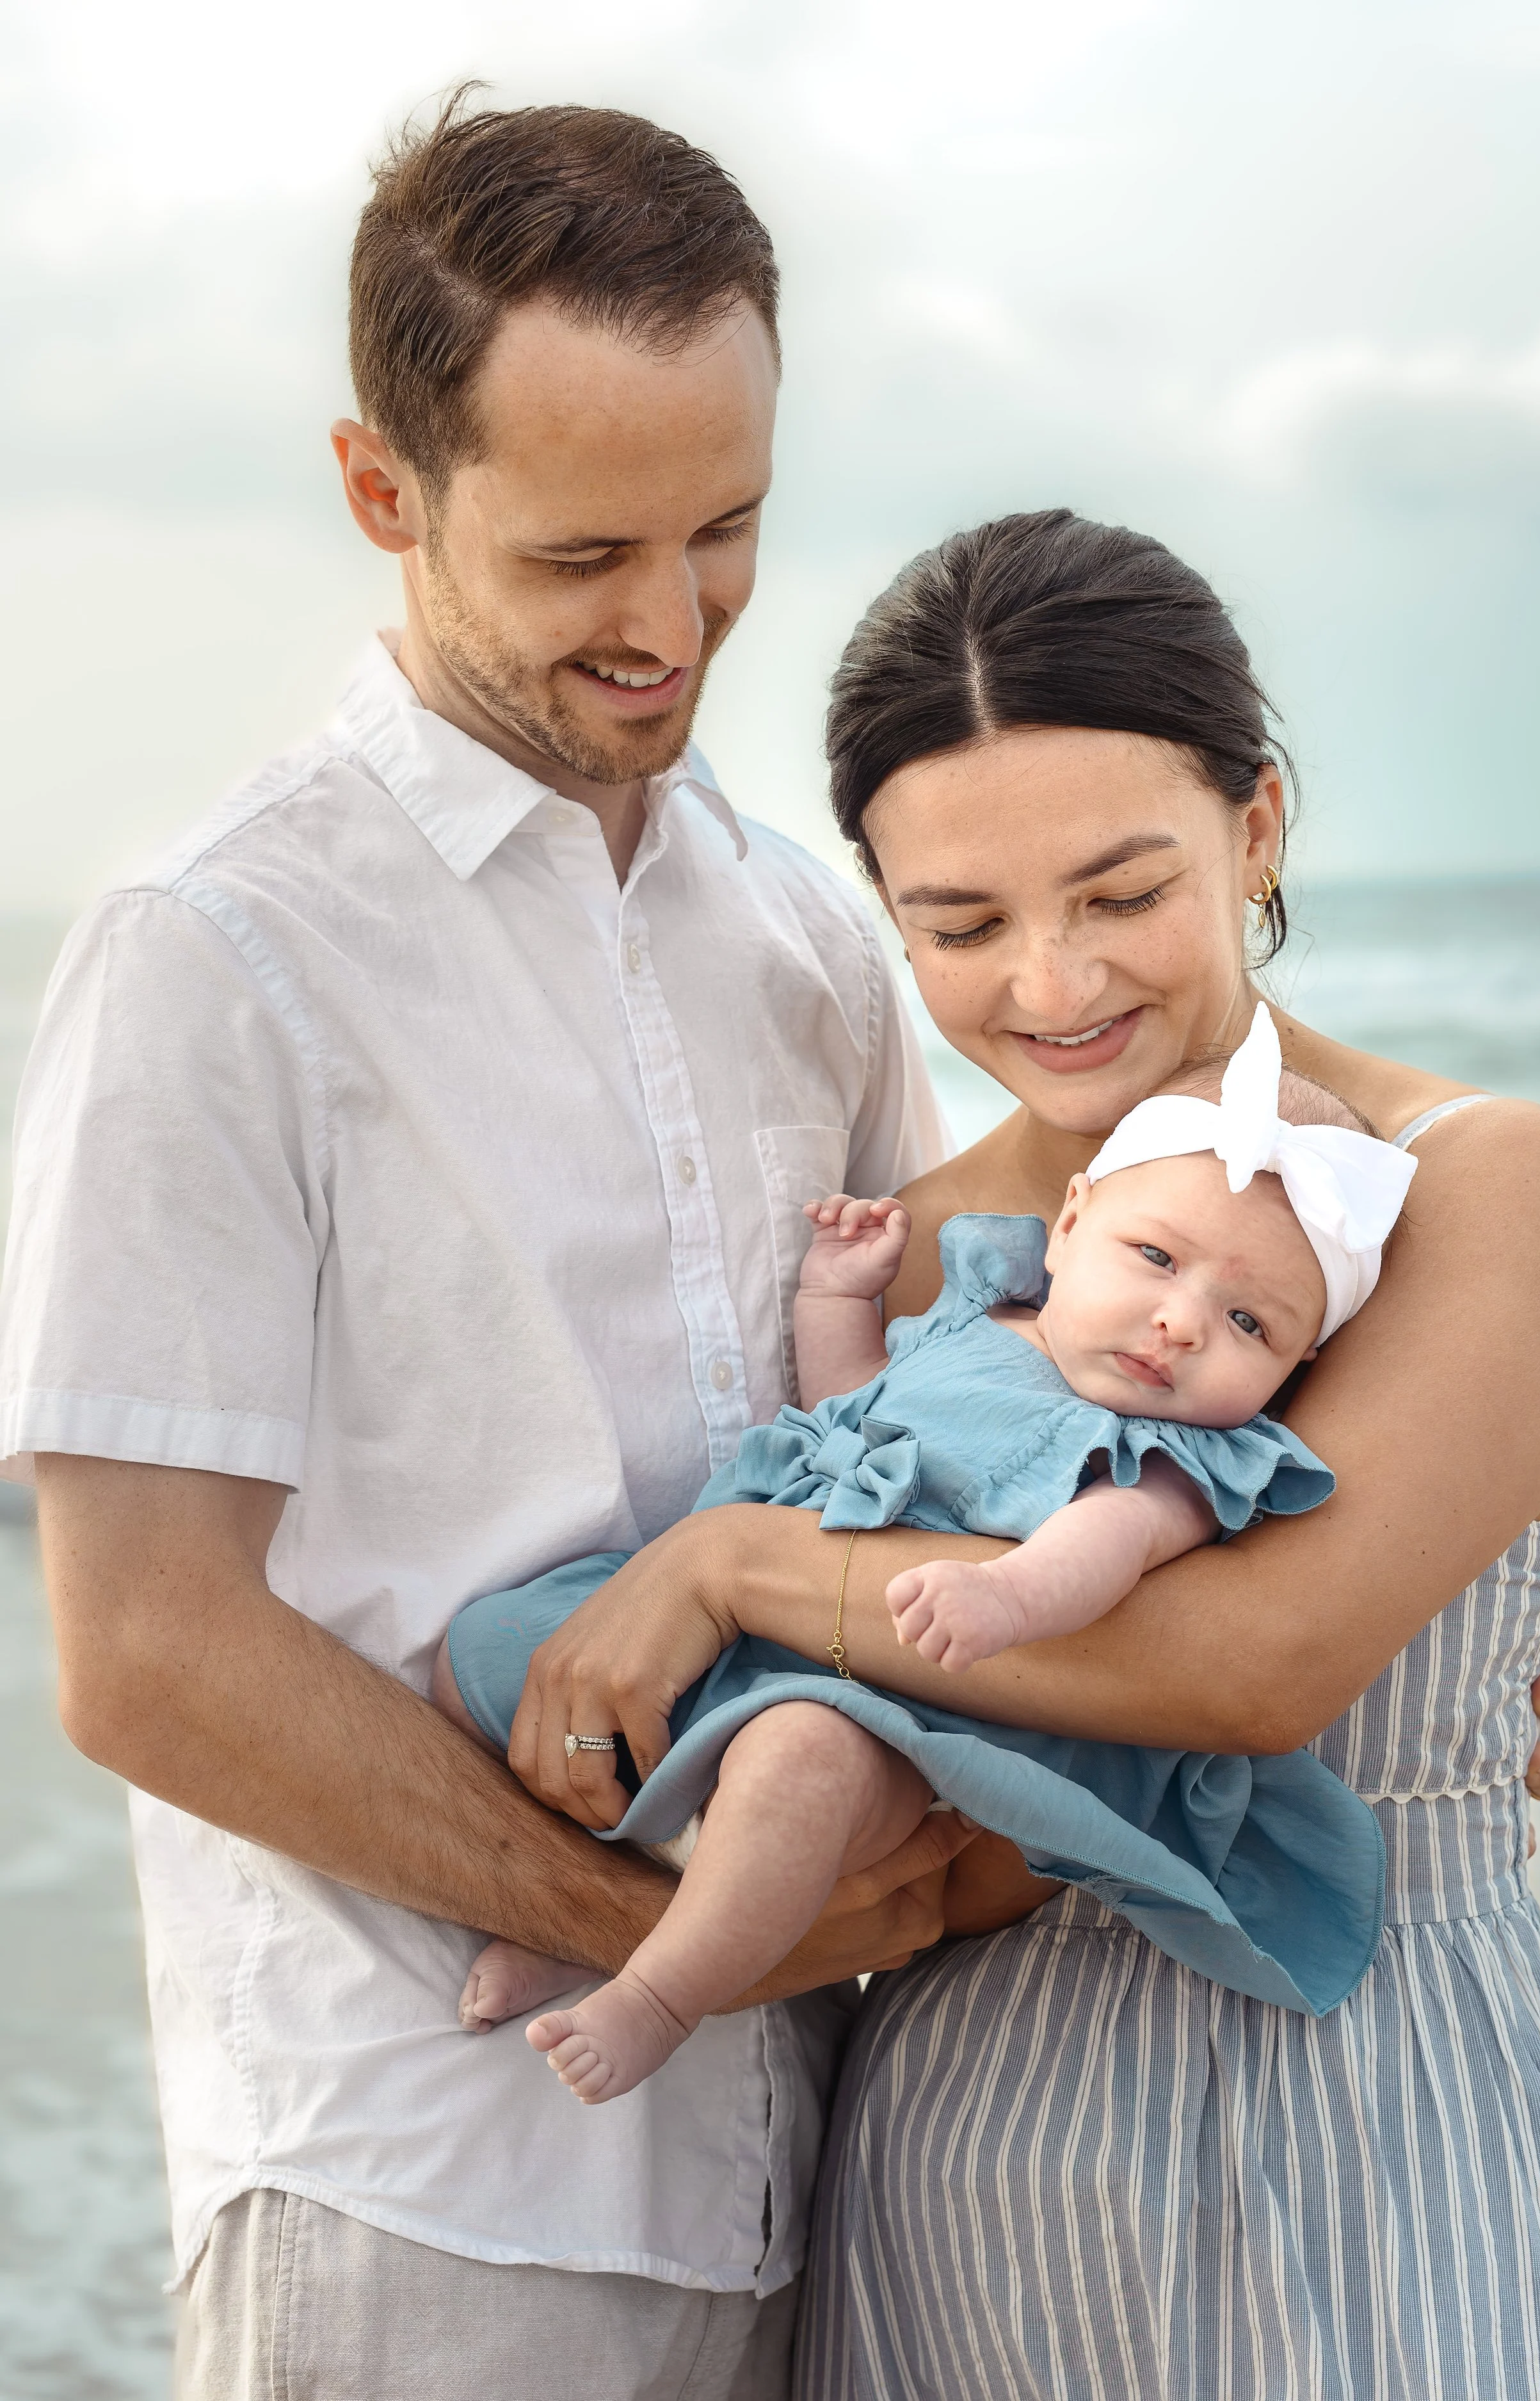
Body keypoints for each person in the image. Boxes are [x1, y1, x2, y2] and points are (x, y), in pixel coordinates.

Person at [0, 97, 967, 2401]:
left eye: (725, 532)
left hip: (820, 2185)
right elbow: (139, 1654)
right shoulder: (215, 953)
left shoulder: (809, 948)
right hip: (417, 2203)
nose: (666, 627)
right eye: (578, 557)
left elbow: (971, 1446)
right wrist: (654, 1938)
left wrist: (1428, 1636)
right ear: (384, 493)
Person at [502, 510, 1540, 2397]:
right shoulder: (906, 1254)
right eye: (959, 920)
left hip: (1381, 2107)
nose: (1052, 979)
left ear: (1255, 830)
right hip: (968, 2149)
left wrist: (733, 1564)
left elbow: (1259, 1665)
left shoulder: (1488, 1186)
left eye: (1120, 889)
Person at [438, 1008, 1415, 2105]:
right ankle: (570, 1917)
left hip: (892, 1702)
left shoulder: (1174, 1454)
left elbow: (1108, 1544)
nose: (1180, 1322)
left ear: (1298, 1363)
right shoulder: (972, 1319)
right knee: (490, 1646)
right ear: (1071, 1220)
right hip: (741, 1632)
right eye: (1156, 1257)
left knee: (796, 1767)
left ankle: (659, 1991)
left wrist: (1005, 1594)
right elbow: (852, 1414)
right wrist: (836, 1297)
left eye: (1249, 1322)